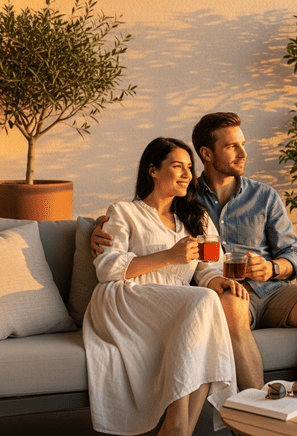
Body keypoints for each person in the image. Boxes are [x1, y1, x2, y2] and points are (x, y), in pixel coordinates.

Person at [92, 112, 297, 390]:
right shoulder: (186, 197)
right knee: (231, 303)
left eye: (243, 144)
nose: (243, 153)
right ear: (207, 153)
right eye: (232, 146)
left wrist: (273, 268)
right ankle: (258, 411)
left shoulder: (265, 196)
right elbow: (147, 216)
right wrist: (96, 229)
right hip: (226, 292)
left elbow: (293, 254)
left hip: (273, 290)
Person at [83, 137, 244, 436]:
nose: (186, 174)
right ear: (153, 171)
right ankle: (177, 426)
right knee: (204, 304)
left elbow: (209, 267)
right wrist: (169, 256)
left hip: (178, 305)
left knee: (206, 310)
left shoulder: (197, 218)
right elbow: (108, 268)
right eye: (177, 166)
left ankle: (178, 429)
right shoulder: (123, 212)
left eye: (189, 167)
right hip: (126, 298)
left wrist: (218, 279)